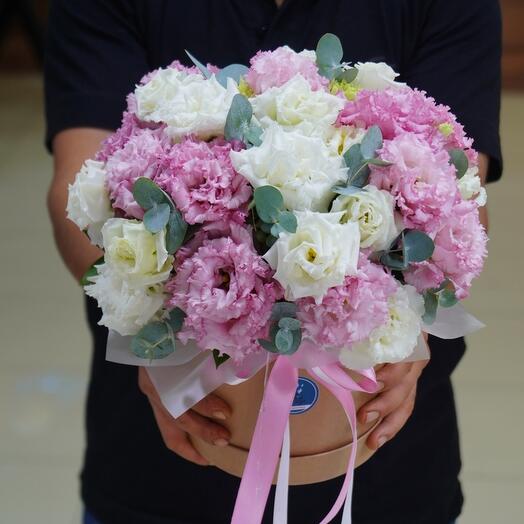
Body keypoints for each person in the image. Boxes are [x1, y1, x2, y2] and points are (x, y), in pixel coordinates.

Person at [44, 1, 502, 523]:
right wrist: (157, 345)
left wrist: (402, 326)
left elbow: (457, 202)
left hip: (384, 462)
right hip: (165, 462)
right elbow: (77, 190)